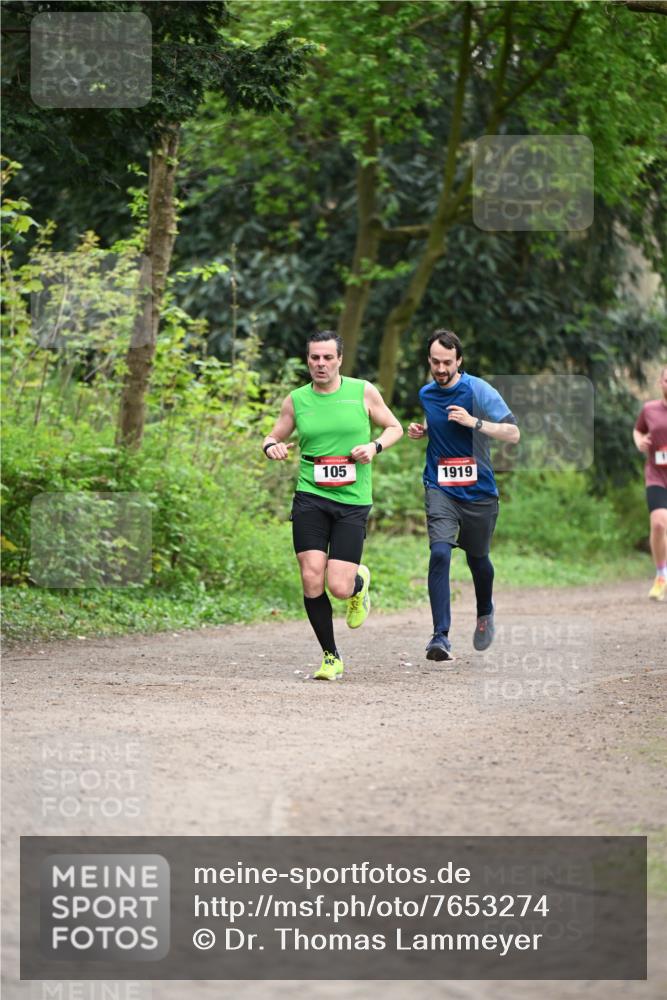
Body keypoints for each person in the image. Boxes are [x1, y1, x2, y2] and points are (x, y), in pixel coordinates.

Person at [263, 331, 403, 680]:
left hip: (352, 500)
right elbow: (272, 435)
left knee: (338, 586)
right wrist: (271, 447)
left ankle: (358, 584)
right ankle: (330, 656)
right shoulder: (296, 400)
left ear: (340, 359)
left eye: (327, 358)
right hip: (311, 494)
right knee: (311, 577)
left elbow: (394, 427)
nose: (320, 364)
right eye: (314, 358)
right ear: (308, 360)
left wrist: (374, 447)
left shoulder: (363, 391)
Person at [408, 330, 520, 661]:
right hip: (440, 487)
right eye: (435, 362)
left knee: (478, 559)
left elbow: (513, 433)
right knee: (440, 552)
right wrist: (425, 429)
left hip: (479, 492)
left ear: (459, 361)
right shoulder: (426, 394)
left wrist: (475, 422)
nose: (440, 369)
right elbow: (440, 421)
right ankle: (439, 637)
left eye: (447, 362)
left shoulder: (478, 389)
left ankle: (485, 611)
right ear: (428, 360)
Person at [633, 365, 667, 601]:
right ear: (661, 382)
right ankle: (660, 575)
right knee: (658, 525)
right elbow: (638, 430)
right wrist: (639, 441)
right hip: (657, 475)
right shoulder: (649, 409)